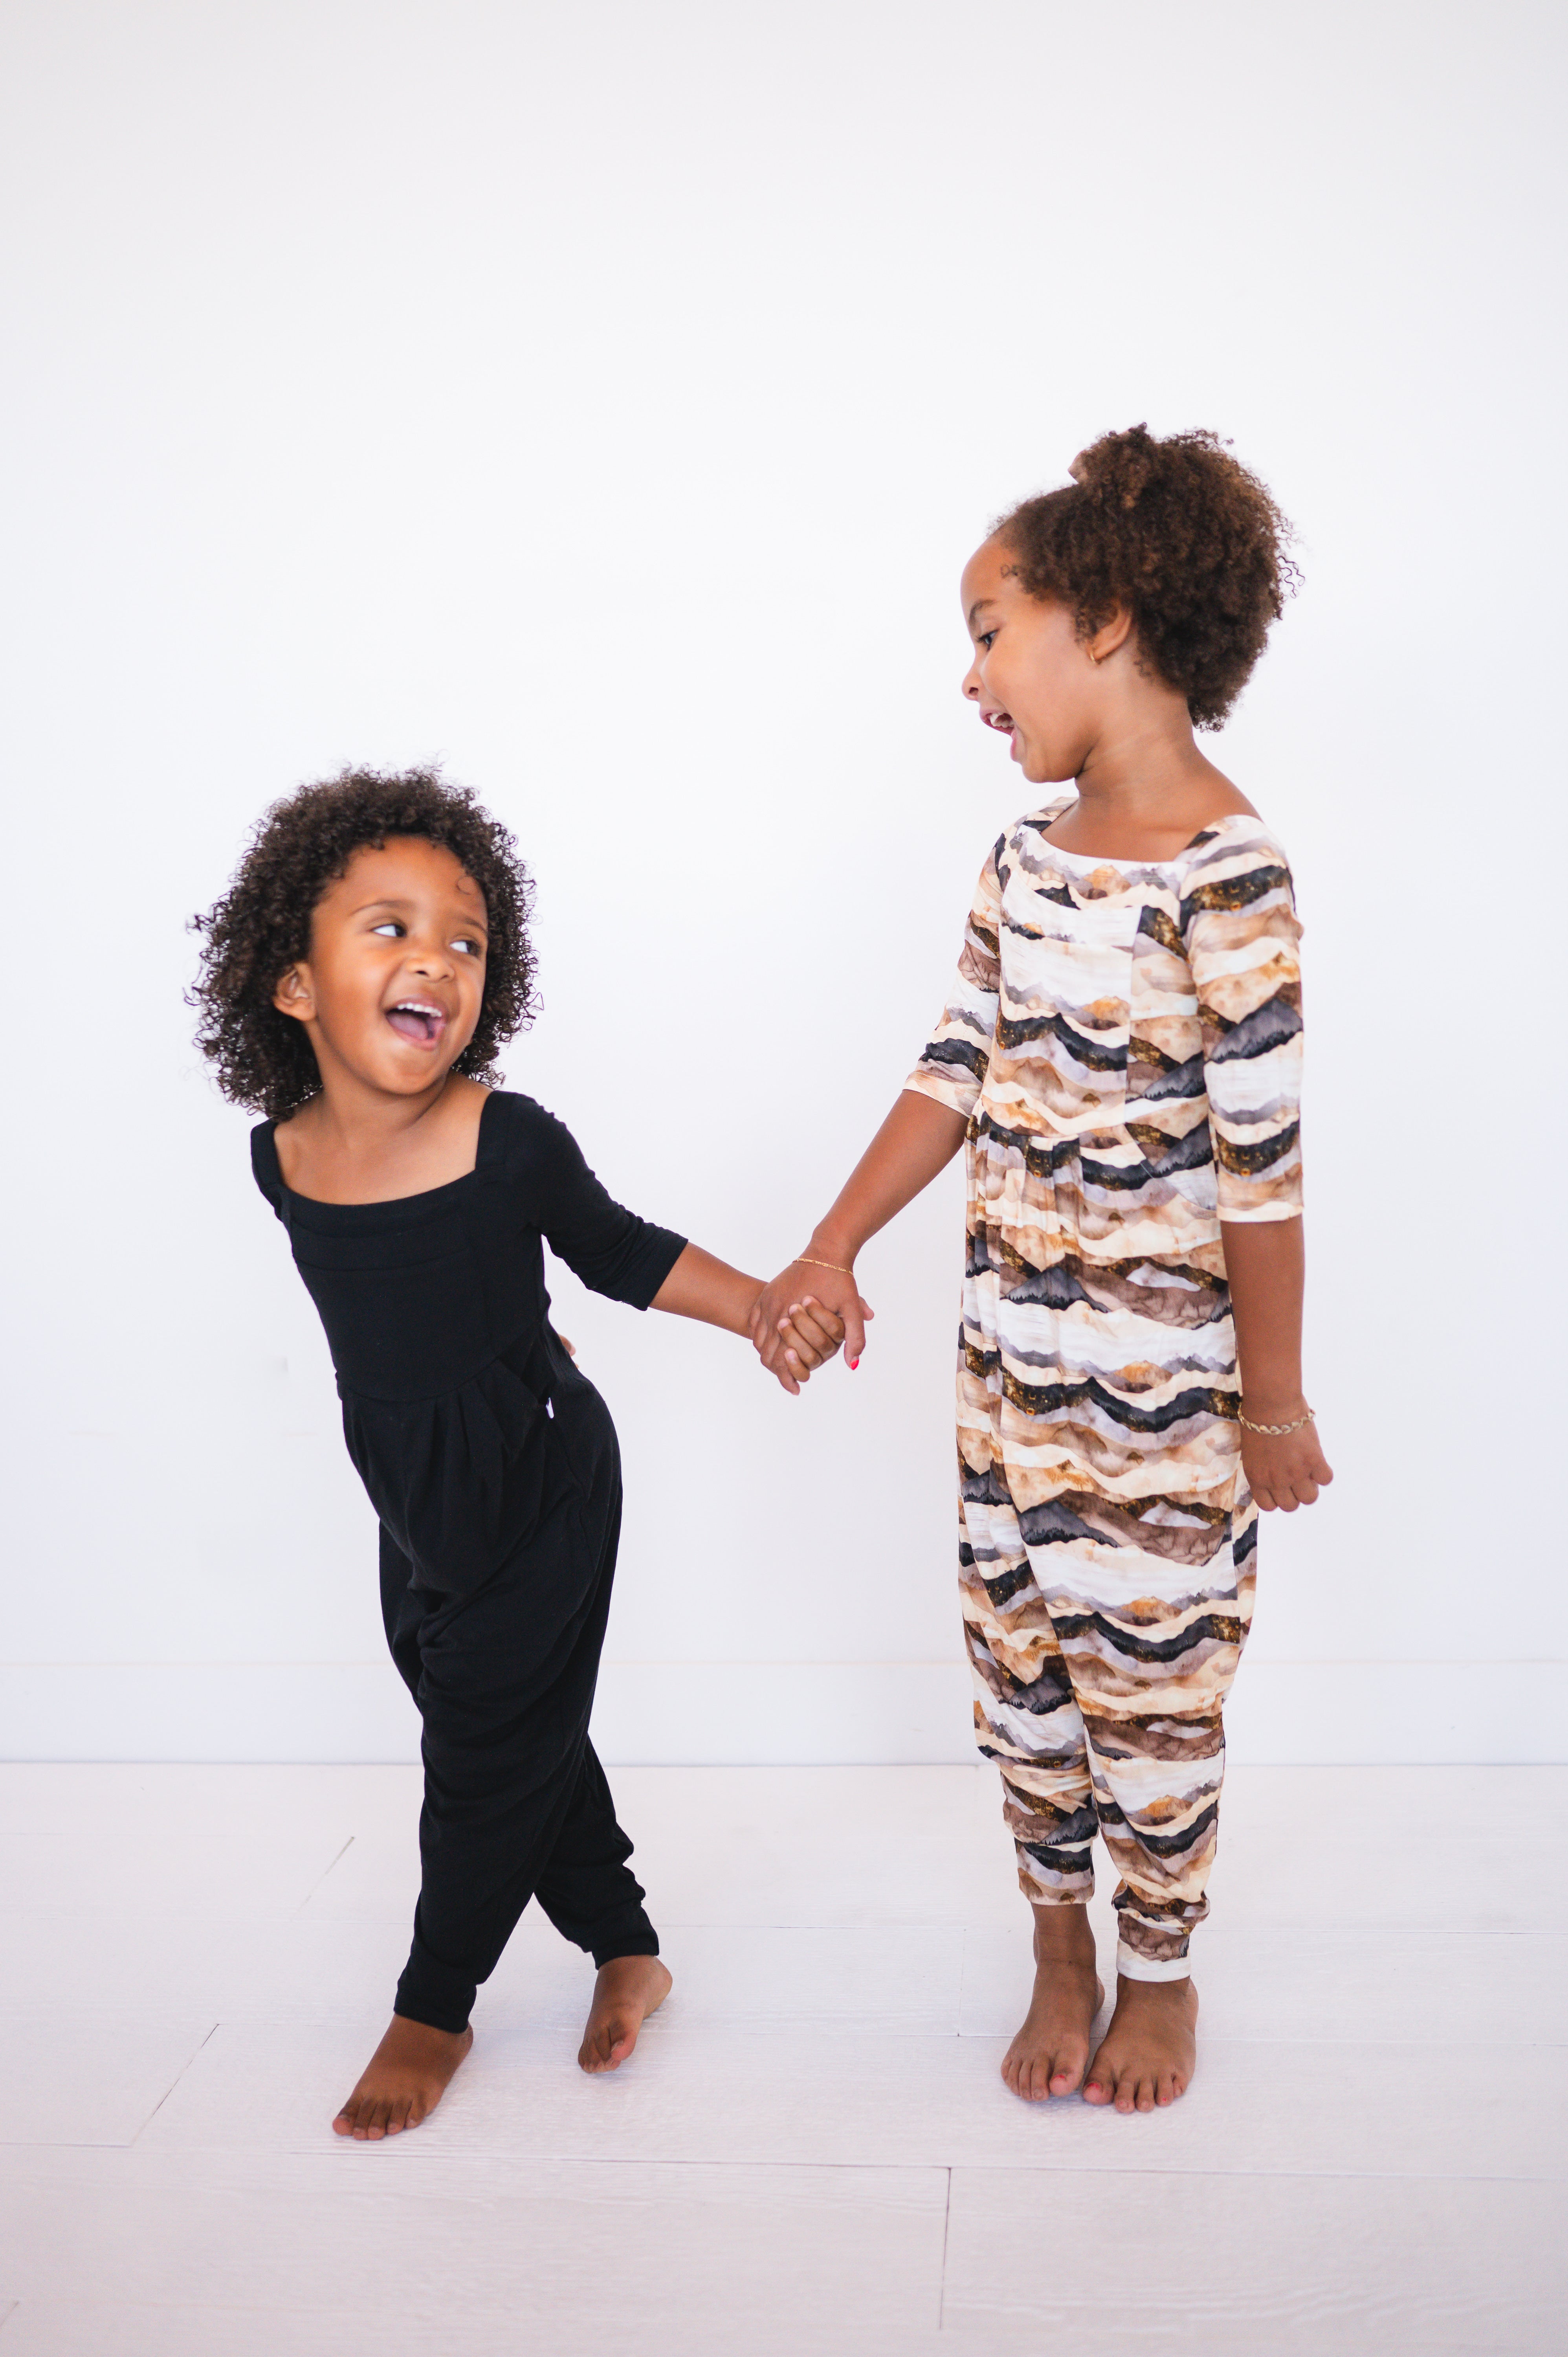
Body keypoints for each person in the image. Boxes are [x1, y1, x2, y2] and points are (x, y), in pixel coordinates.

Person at [750, 425, 1332, 2115]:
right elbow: (951, 1070)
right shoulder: (1019, 864)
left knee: (1151, 1698)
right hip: (1004, 1386)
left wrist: (1274, 1402)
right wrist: (829, 1244)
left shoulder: (1232, 878)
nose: (967, 678)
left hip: (1160, 1424)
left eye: (987, 626)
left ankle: (1159, 1976)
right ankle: (1055, 1945)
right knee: (1019, 1680)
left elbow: (1261, 1168)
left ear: (1107, 618)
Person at [192, 767, 840, 2140]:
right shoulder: (283, 1158)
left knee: (481, 1752)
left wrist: (767, 1307)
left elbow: (621, 1255)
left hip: (540, 1477)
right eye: (389, 927)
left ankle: (435, 2006)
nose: (437, 957)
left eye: (467, 938)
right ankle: (628, 1946)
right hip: (412, 1497)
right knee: (501, 1723)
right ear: (292, 986)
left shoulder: (506, 1140)